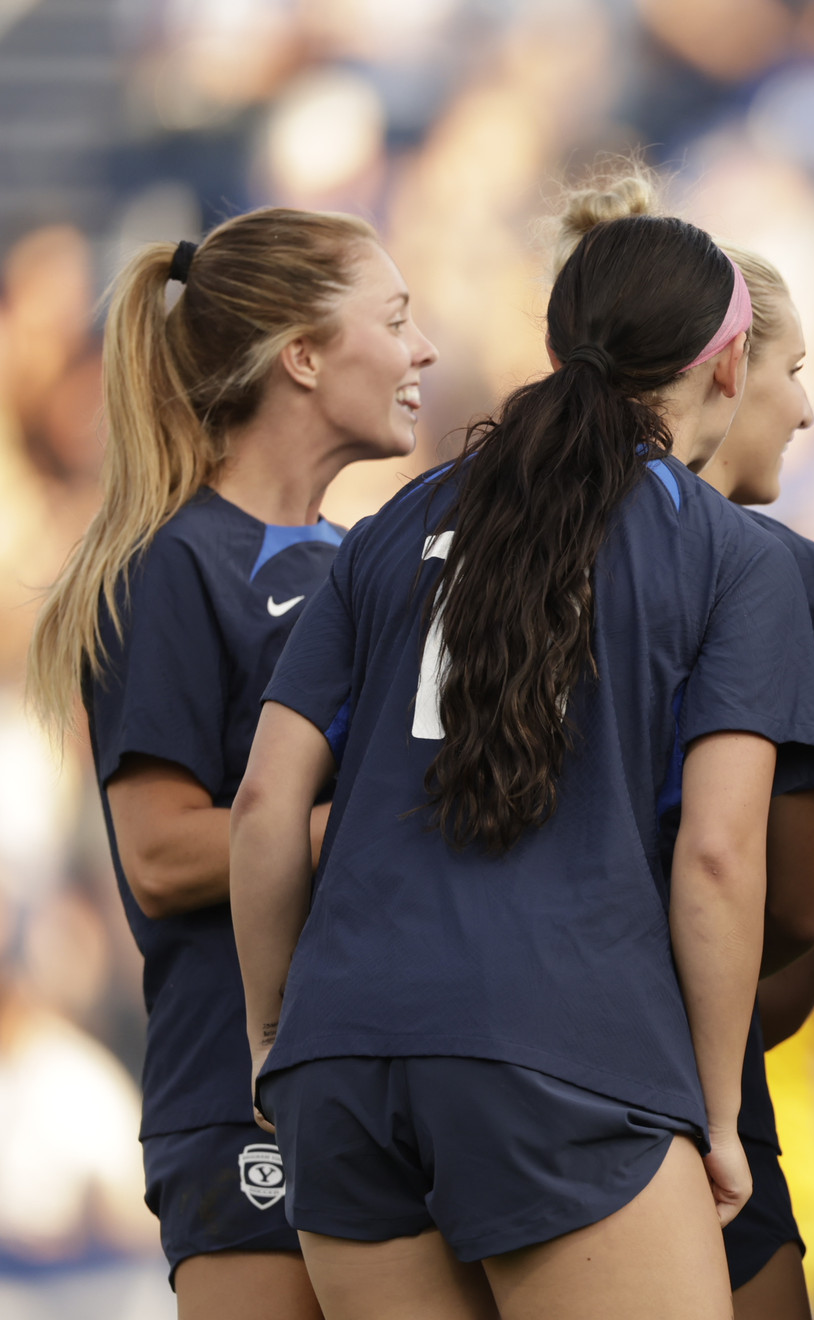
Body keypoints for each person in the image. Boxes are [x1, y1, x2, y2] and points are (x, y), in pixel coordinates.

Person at [228, 213, 814, 1318]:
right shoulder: (731, 554)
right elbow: (717, 855)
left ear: (561, 349)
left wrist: (274, 1036)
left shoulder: (390, 525)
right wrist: (719, 1108)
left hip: (342, 1065)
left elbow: (265, 804)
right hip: (568, 1059)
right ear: (730, 362)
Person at [25, 209, 437, 1318]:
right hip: (237, 1092)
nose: (424, 351)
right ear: (302, 354)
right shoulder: (173, 566)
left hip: (388, 1072)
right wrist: (392, 819)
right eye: (394, 320)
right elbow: (157, 855)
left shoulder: (369, 560)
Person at [551, 172, 814, 1319]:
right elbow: (778, 904)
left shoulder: (486, 528)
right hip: (675, 1080)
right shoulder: (772, 571)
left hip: (449, 1057)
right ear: (728, 368)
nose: (806, 413)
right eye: (798, 375)